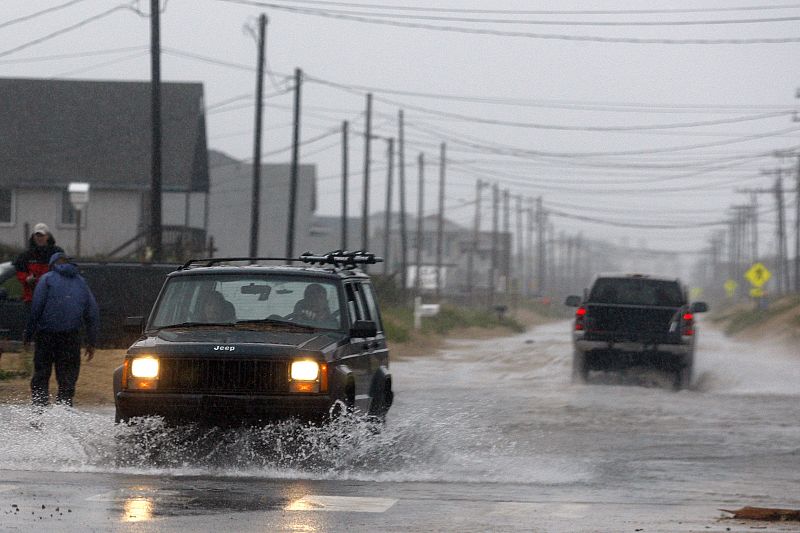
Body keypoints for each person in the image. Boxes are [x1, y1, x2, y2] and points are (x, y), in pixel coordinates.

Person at [24, 253, 99, 407]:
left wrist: (28, 334)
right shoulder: (81, 282)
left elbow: (36, 309)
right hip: (71, 338)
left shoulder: (46, 279)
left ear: (52, 265)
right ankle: (64, 413)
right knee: (67, 379)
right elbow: (93, 313)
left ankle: (40, 411)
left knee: (41, 375)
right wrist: (91, 342)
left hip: (46, 336)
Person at [14, 223, 64, 304]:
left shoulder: (57, 253)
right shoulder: (26, 255)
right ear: (33, 236)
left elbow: (63, 274)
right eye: (37, 236)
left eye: (42, 236)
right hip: (31, 301)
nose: (39, 238)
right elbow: (20, 272)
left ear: (47, 236)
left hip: (51, 301)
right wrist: (27, 279)